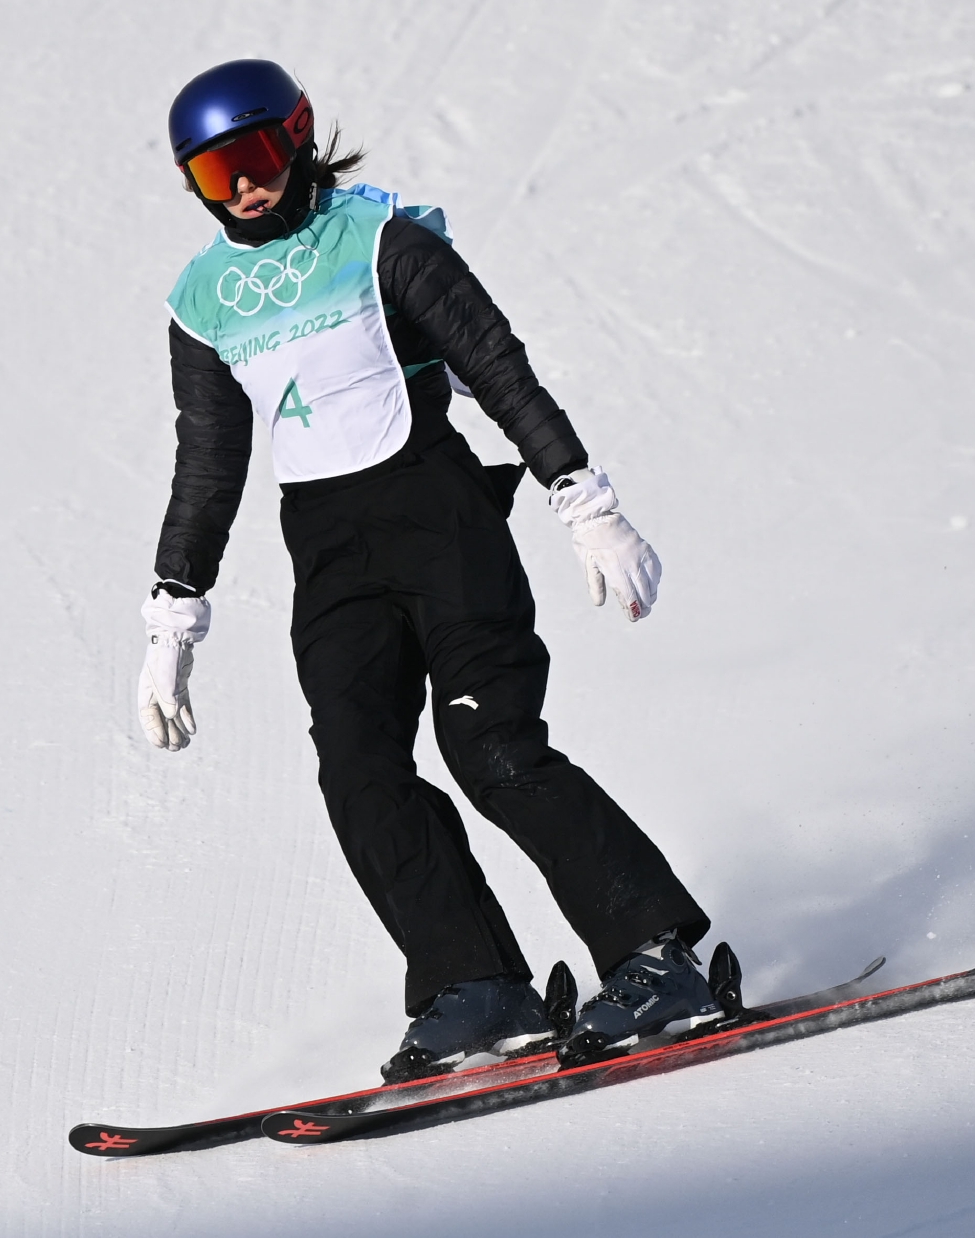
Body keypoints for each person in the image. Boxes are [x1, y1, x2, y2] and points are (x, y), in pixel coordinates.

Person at [138, 59, 717, 1080]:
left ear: (299, 136)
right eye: (212, 172)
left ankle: (654, 954)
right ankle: (472, 982)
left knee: (488, 745)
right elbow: (208, 458)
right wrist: (172, 611)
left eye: (256, 156)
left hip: (442, 519)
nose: (242, 186)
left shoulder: (382, 240)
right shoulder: (200, 300)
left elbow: (495, 363)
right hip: (330, 554)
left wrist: (583, 499)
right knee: (358, 773)